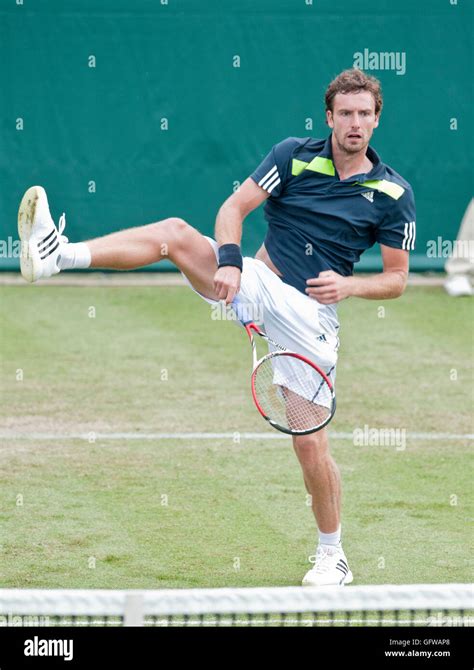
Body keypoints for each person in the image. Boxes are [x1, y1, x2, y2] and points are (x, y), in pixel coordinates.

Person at [17, 68, 416, 586]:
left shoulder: (391, 192)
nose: (355, 123)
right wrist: (229, 259)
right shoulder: (293, 154)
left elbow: (398, 278)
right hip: (257, 282)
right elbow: (233, 208)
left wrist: (349, 286)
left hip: (311, 317)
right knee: (176, 235)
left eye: (365, 114)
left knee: (309, 444)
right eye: (346, 113)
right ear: (329, 117)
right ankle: (57, 255)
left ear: (377, 119)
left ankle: (332, 555)